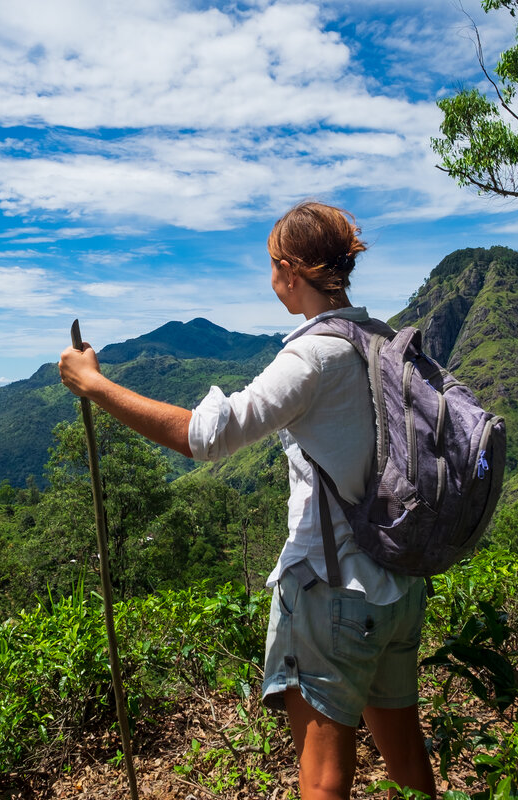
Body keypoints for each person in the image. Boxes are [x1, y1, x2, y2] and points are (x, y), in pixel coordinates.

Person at [58, 201, 435, 800]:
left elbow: (209, 438)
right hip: (399, 583)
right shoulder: (382, 340)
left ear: (288, 270)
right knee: (404, 749)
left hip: (332, 594)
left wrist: (95, 385)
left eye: (271, 267)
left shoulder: (313, 354)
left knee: (323, 772)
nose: (270, 280)